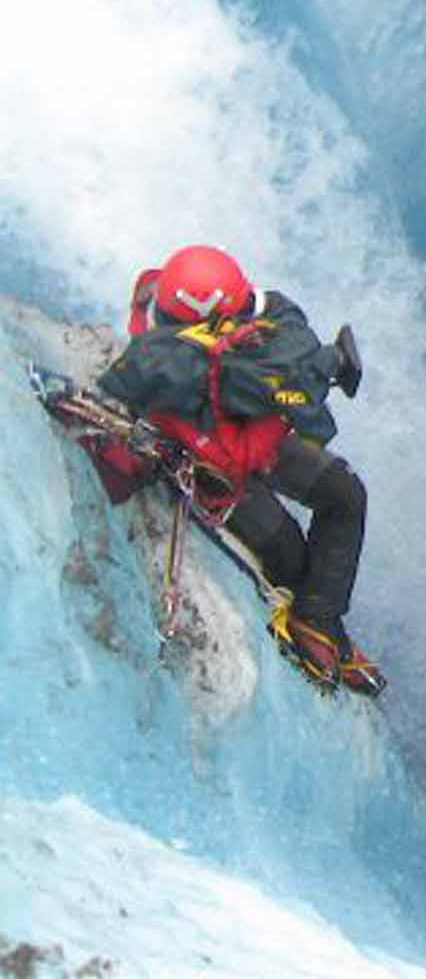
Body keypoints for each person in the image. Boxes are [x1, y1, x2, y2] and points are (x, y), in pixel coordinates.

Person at [93, 244, 384, 695]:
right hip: (216, 469)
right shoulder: (169, 364)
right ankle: (318, 630)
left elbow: (285, 321)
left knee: (345, 495)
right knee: (287, 553)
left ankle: (319, 620)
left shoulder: (216, 326)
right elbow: (132, 383)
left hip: (253, 441)